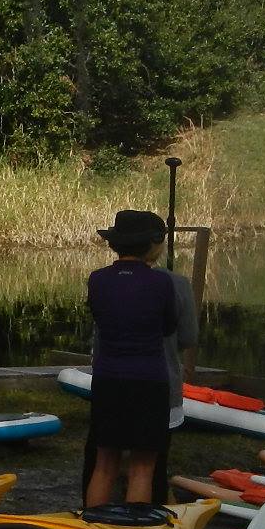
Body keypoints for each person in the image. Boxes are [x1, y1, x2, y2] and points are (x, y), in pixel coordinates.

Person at [81, 210, 197, 506]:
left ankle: (94, 528)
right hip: (149, 380)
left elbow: (99, 317)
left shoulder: (98, 280)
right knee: (142, 469)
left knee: (104, 464)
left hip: (108, 378)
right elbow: (170, 326)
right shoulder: (163, 284)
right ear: (153, 244)